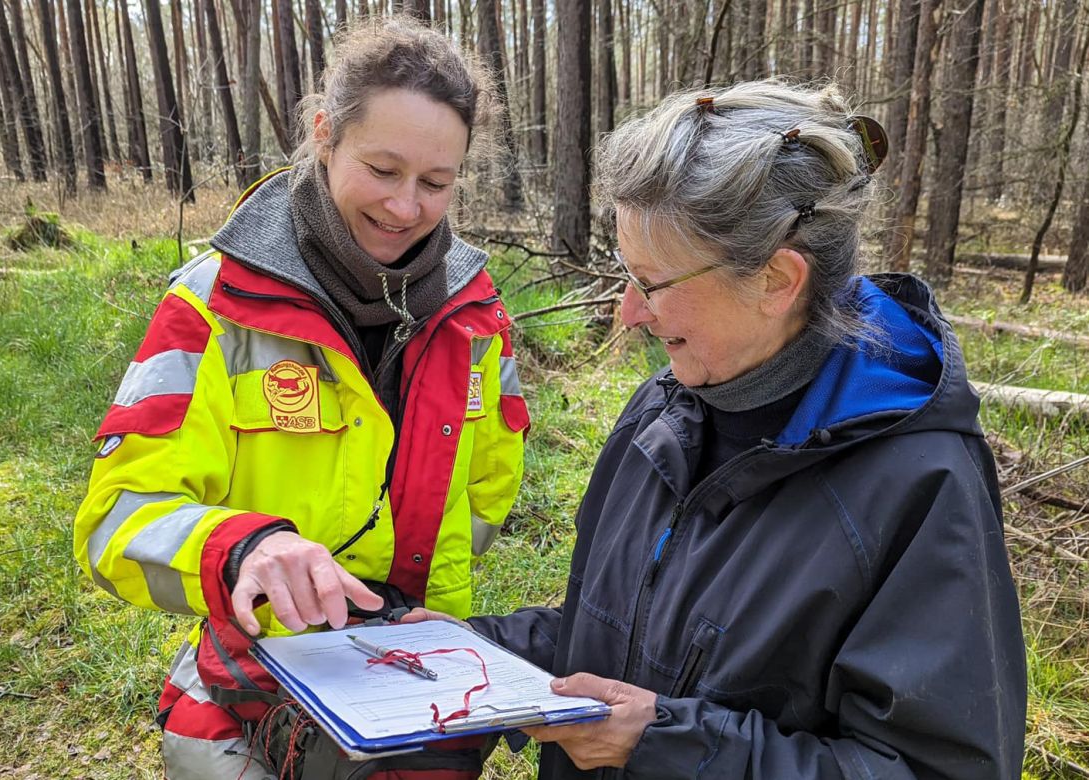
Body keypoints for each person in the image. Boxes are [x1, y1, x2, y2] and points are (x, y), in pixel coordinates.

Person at [407, 80, 1027, 778]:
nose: (629, 315)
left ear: (776, 280)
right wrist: (475, 650)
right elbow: (612, 635)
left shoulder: (918, 483)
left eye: (654, 284)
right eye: (625, 275)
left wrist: (666, 744)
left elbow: (932, 768)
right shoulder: (665, 411)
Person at [73, 18, 529, 780]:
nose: (406, 207)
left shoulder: (478, 318)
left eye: (436, 183)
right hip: (255, 677)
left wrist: (417, 621)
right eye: (382, 169)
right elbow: (117, 521)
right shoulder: (212, 305)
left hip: (423, 690)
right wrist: (246, 549)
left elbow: (488, 493)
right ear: (324, 134)